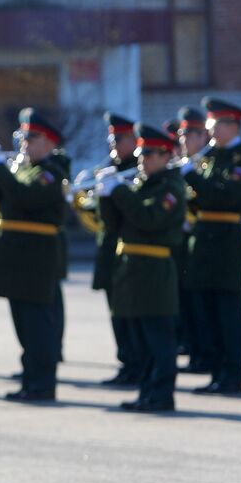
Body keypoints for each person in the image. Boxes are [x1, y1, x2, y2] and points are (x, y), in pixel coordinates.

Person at [0, 108, 68, 402]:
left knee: (38, 326)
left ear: (49, 142)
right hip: (18, 258)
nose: (24, 142)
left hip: (37, 260)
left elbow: (23, 196)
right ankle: (31, 380)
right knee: (24, 325)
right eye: (22, 136)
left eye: (32, 137)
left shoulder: (50, 173)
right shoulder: (24, 168)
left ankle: (43, 384)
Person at [103, 123, 187, 412]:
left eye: (150, 154)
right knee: (140, 339)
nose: (143, 160)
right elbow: (115, 225)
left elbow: (148, 217)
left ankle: (162, 394)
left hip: (154, 271)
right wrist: (106, 198)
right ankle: (146, 392)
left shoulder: (171, 187)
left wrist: (119, 193)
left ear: (166, 156)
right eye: (141, 154)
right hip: (134, 270)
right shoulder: (142, 184)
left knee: (159, 340)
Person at [185, 97, 241, 395]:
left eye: (215, 125)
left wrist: (190, 176)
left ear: (231, 125)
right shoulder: (213, 156)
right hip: (205, 240)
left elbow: (225, 196)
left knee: (228, 312)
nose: (211, 131)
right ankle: (217, 372)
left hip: (226, 241)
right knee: (209, 312)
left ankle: (232, 374)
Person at [94, 112, 142, 386]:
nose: (112, 143)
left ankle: (135, 363)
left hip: (129, 252)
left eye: (118, 138)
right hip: (110, 250)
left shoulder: (137, 168)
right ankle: (126, 361)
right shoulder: (110, 167)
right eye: (111, 137)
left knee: (130, 312)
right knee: (116, 312)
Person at [172, 106, 208, 370]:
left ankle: (203, 353)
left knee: (200, 305)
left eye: (189, 135)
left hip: (203, 239)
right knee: (187, 301)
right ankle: (195, 350)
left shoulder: (204, 164)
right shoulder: (185, 164)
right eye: (182, 135)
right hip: (183, 241)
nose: (184, 141)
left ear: (201, 136)